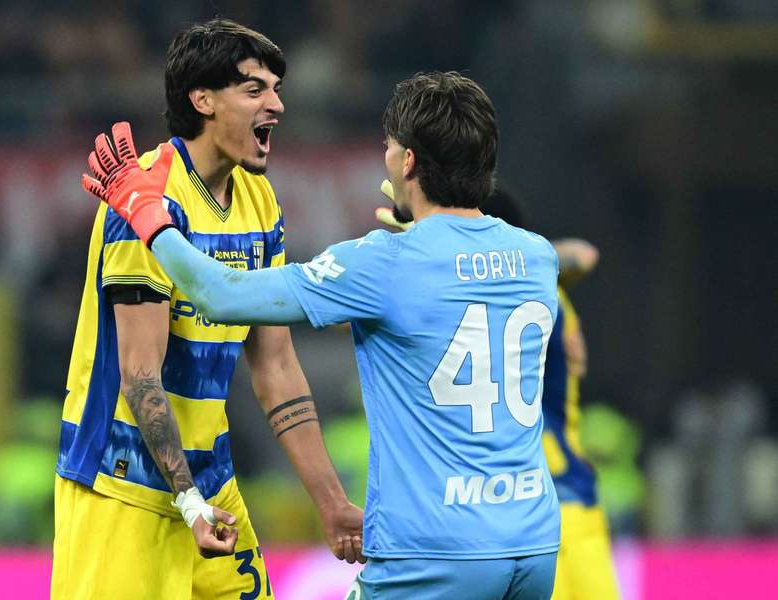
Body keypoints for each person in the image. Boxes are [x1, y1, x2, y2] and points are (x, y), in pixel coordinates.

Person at [82, 71, 561, 599]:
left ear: (408, 163)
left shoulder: (381, 263)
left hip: (435, 550)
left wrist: (146, 212)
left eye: (389, 148)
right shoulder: (537, 257)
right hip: (533, 543)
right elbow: (462, 280)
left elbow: (218, 294)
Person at [55, 19, 363, 600]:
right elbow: (140, 375)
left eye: (276, 89)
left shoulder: (258, 196)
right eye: (254, 90)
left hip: (211, 485)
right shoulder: (141, 196)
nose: (276, 104)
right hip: (123, 490)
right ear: (202, 100)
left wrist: (331, 502)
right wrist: (187, 501)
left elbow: (274, 366)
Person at [383, 189, 620, 599]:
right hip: (578, 508)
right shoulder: (549, 292)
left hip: (510, 514)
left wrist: (430, 247)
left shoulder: (456, 302)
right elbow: (584, 255)